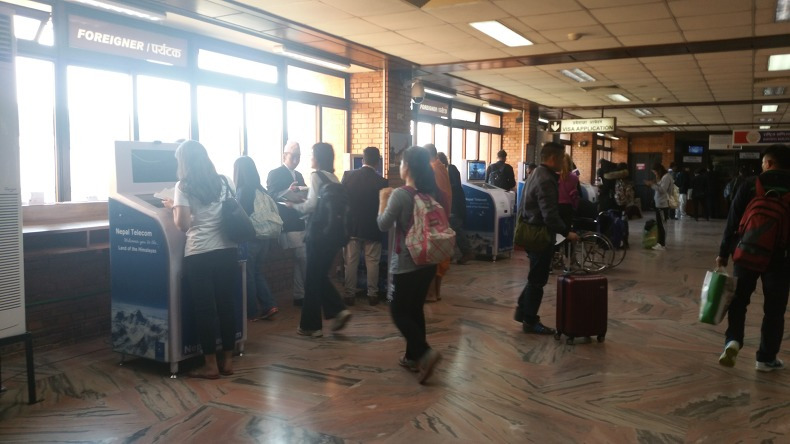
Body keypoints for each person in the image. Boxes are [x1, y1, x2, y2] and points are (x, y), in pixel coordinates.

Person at [163, 140, 237, 379]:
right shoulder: (224, 181)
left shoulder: (183, 186)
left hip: (200, 253)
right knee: (226, 306)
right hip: (227, 251)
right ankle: (228, 361)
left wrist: (174, 206)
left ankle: (210, 366)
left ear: (184, 161)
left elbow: (183, 224)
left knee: (205, 310)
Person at [716, 144, 790, 372]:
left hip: (746, 252)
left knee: (739, 301)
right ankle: (766, 358)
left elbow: (732, 221)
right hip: (781, 258)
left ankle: (733, 341)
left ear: (769, 163)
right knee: (774, 310)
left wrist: (723, 253)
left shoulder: (749, 184)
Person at [377, 146, 442, 384]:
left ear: (408, 167)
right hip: (428, 262)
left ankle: (425, 353)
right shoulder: (429, 192)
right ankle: (412, 357)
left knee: (398, 311)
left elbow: (383, 224)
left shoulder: (400, 195)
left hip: (406, 263)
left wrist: (382, 200)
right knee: (415, 309)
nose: (400, 167)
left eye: (402, 162)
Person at [515, 142, 579, 334]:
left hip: (530, 231)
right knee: (538, 280)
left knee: (535, 276)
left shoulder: (536, 173)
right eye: (561, 158)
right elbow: (549, 214)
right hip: (540, 236)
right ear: (553, 158)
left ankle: (522, 310)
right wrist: (566, 233)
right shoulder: (546, 179)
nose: (563, 162)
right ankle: (530, 320)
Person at [288, 142, 351, 338]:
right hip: (334, 236)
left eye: (312, 154)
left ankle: (311, 326)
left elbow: (312, 206)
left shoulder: (316, 176)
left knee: (312, 280)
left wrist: (293, 206)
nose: (311, 158)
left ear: (318, 158)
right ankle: (338, 310)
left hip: (317, 235)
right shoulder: (334, 178)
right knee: (319, 276)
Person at [234, 156, 279, 321]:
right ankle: (269, 305)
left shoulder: (243, 191)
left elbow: (239, 216)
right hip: (265, 238)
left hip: (250, 239)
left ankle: (251, 312)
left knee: (248, 275)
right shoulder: (262, 190)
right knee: (257, 272)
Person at [341, 147, 387, 306]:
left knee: (350, 262)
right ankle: (372, 295)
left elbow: (342, 202)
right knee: (372, 262)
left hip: (351, 227)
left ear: (362, 160)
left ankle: (349, 295)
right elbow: (383, 208)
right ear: (377, 162)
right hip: (373, 228)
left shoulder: (348, 176)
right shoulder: (382, 182)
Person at [266, 141, 307, 307]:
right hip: (288, 223)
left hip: (300, 220)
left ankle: (300, 295)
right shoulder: (275, 173)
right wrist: (287, 191)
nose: (296, 160)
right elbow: (271, 195)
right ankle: (307, 292)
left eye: (299, 156)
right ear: (284, 156)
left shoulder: (300, 175)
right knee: (303, 257)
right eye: (293, 156)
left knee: (300, 259)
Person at [424, 144, 451, 302]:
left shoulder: (434, 169)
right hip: (443, 216)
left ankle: (432, 293)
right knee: (439, 257)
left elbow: (437, 195)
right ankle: (436, 292)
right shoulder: (441, 167)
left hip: (436, 218)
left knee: (433, 257)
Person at [438, 152, 474, 264]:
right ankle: (452, 254)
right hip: (451, 203)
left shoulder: (451, 169)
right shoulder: (444, 171)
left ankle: (467, 251)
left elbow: (456, 185)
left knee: (456, 226)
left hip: (455, 204)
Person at [556, 153, 580, 265]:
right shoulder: (574, 178)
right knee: (567, 233)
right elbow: (577, 195)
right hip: (567, 208)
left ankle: (554, 259)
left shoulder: (553, 177)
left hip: (555, 207)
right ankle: (569, 259)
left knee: (555, 234)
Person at [644, 162, 672, 251]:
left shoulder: (666, 177)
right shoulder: (663, 177)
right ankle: (660, 242)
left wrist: (652, 185)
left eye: (655, 172)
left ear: (659, 170)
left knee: (662, 225)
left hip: (662, 205)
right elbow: (659, 187)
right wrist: (654, 182)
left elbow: (662, 190)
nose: (655, 174)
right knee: (660, 224)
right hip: (659, 204)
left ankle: (662, 244)